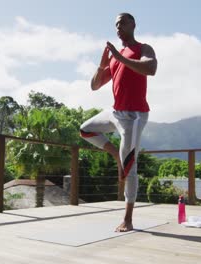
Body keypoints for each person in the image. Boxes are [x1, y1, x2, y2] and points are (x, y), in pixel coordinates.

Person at [80, 13, 157, 232]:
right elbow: (95, 86)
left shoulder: (144, 48)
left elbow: (150, 69)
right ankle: (116, 153)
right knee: (85, 130)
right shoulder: (115, 56)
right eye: (115, 24)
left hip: (134, 116)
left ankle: (128, 218)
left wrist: (119, 57)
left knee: (130, 166)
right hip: (115, 112)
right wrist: (102, 63)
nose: (118, 27)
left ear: (133, 24)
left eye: (122, 22)